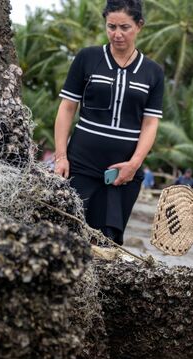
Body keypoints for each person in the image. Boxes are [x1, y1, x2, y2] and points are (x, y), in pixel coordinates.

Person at [53, 0, 164, 245]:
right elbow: (67, 107)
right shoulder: (87, 58)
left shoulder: (153, 72)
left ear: (139, 26)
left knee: (106, 243)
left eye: (124, 27)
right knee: (67, 236)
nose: (117, 34)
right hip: (80, 165)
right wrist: (61, 157)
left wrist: (134, 165)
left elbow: (150, 123)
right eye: (111, 26)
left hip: (123, 174)